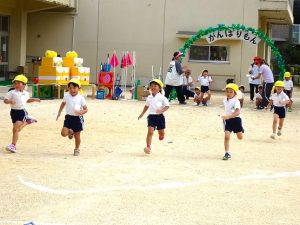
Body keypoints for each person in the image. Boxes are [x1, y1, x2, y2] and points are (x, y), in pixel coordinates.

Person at [3, 74, 40, 153]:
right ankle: (28, 121)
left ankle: (13, 145)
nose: (16, 85)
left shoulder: (26, 93)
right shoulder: (11, 92)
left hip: (22, 112)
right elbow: (5, 100)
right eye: (15, 83)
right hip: (13, 112)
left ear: (24, 85)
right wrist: (10, 101)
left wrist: (35, 99)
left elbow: (28, 100)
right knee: (17, 129)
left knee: (15, 129)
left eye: (19, 83)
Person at [56, 78, 88, 156]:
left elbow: (86, 109)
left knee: (77, 137)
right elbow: (63, 103)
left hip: (77, 119)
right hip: (68, 118)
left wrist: (80, 112)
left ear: (79, 88)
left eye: (74, 88)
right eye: (70, 88)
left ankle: (77, 149)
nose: (72, 90)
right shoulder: (66, 96)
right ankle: (70, 132)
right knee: (63, 133)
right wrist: (59, 112)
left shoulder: (81, 98)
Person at [138, 79, 169, 154]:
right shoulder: (149, 97)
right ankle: (148, 146)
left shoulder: (162, 97)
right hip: (151, 116)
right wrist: (142, 114)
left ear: (159, 88)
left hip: (160, 117)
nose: (153, 87)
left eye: (155, 86)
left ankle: (162, 134)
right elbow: (146, 106)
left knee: (161, 132)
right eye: (151, 86)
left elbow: (167, 106)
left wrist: (161, 111)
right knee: (150, 132)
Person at [221, 83, 244, 160]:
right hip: (228, 121)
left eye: (231, 92)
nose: (228, 93)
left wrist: (228, 116)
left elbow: (237, 112)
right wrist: (226, 117)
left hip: (236, 120)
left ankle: (241, 129)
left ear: (235, 93)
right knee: (227, 136)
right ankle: (227, 153)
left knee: (240, 137)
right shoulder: (225, 100)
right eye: (227, 91)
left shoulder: (236, 101)